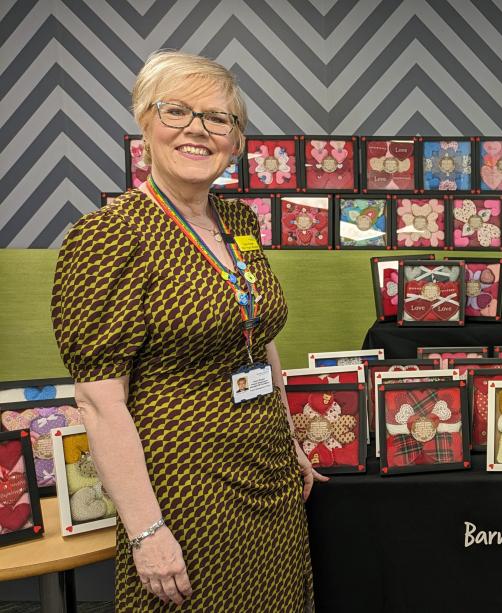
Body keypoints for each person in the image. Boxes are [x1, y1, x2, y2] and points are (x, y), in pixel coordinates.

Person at [51, 50, 326, 611]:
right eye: (176, 111)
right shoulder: (109, 237)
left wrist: (290, 438)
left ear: (236, 138)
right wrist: (147, 532)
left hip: (268, 474)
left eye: (218, 118)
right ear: (144, 122)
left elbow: (257, 329)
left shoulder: (240, 223)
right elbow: (100, 403)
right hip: (185, 489)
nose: (197, 130)